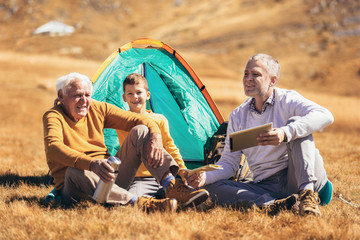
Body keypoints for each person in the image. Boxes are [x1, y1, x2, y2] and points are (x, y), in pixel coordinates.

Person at [185, 53, 334, 216]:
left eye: (255, 74)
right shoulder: (238, 116)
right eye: (246, 74)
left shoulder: (287, 100)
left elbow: (326, 115)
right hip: (267, 186)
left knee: (297, 123)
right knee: (210, 188)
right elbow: (229, 163)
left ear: (272, 80)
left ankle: (307, 196)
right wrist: (205, 177)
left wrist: (286, 132)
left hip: (300, 178)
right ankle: (272, 205)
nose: (248, 79)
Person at [43, 72, 209, 212]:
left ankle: (172, 187)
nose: (84, 101)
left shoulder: (97, 108)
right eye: (77, 95)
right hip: (76, 187)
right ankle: (142, 204)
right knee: (75, 171)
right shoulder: (54, 116)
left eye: (87, 95)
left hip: (108, 177)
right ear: (61, 96)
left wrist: (156, 136)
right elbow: (53, 148)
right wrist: (91, 164)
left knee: (141, 131)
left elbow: (138, 120)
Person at [116, 73, 188, 198]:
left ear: (148, 95)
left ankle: (172, 188)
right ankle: (162, 199)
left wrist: (183, 170)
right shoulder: (121, 119)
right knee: (136, 199)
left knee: (185, 195)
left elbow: (170, 146)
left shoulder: (160, 119)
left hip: (163, 175)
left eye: (139, 92)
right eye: (130, 94)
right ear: (124, 97)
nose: (135, 97)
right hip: (139, 179)